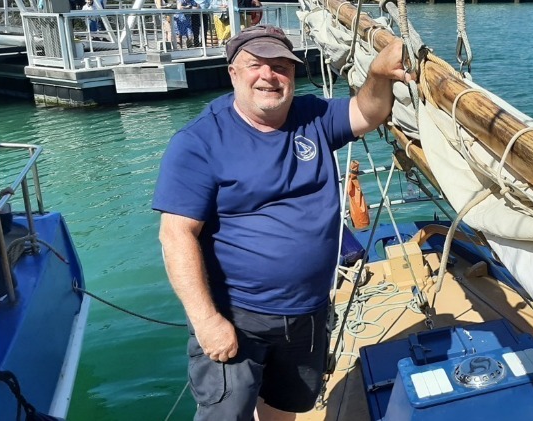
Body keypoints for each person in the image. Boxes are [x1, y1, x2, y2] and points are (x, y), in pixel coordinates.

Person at [152, 25, 410, 421]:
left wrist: (378, 74)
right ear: (233, 73)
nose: (269, 76)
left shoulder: (312, 116)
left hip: (308, 311)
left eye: (280, 67)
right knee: (225, 415)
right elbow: (176, 235)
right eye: (256, 65)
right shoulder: (199, 141)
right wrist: (206, 321)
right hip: (237, 314)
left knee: (285, 408)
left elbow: (368, 112)